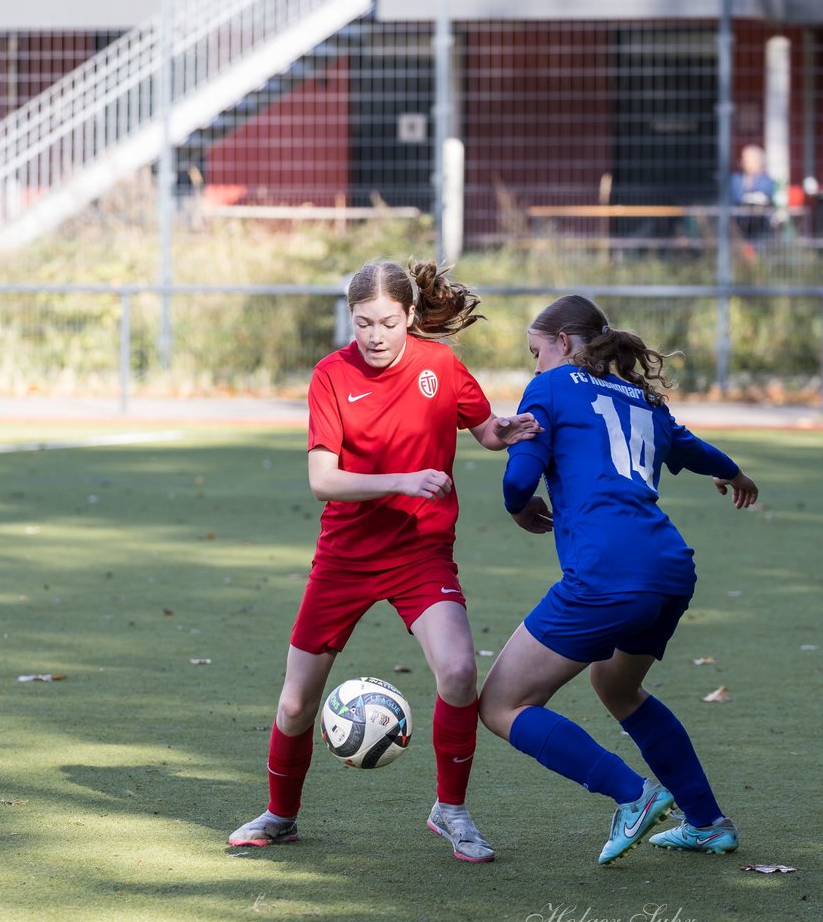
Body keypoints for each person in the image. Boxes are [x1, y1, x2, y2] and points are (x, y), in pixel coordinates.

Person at [229, 259, 540, 862]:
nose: (374, 335)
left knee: (457, 673)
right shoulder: (330, 375)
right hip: (344, 558)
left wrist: (513, 428)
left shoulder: (441, 366)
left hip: (421, 553)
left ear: (411, 318)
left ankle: (450, 812)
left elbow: (486, 432)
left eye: (388, 322)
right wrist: (403, 480)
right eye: (362, 321)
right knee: (296, 702)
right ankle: (280, 815)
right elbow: (324, 480)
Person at [478, 295, 758, 865]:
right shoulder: (641, 398)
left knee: (501, 705)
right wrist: (735, 473)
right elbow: (692, 447)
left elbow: (518, 482)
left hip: (608, 575)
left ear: (563, 342)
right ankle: (707, 822)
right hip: (670, 569)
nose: (534, 365)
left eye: (537, 352)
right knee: (618, 687)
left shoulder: (549, 389)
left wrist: (519, 506)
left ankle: (633, 795)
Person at [730, 145, 777, 247]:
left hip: (760, 224)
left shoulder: (767, 181)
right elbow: (734, 198)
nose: (744, 162)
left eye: (748, 159)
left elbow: (767, 196)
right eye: (744, 159)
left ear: (758, 162)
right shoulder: (735, 180)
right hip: (738, 224)